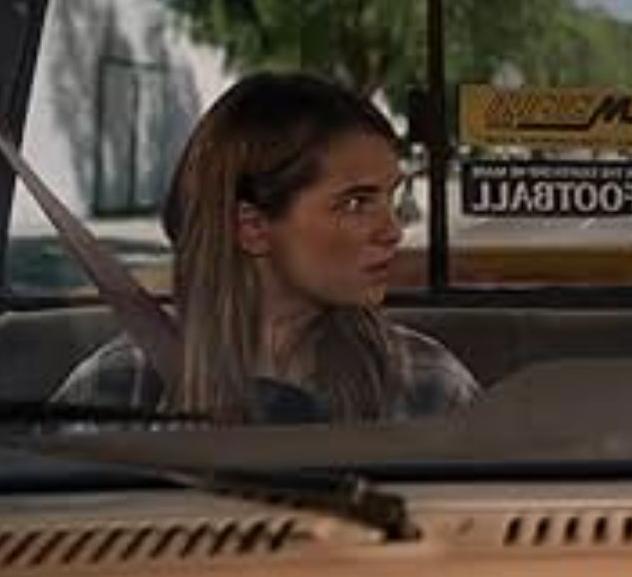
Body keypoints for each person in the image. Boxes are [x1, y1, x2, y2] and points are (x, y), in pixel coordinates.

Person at [52, 72, 480, 422]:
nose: (393, 232)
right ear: (253, 227)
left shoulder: (426, 384)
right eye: (356, 204)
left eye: (390, 198)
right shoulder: (118, 388)